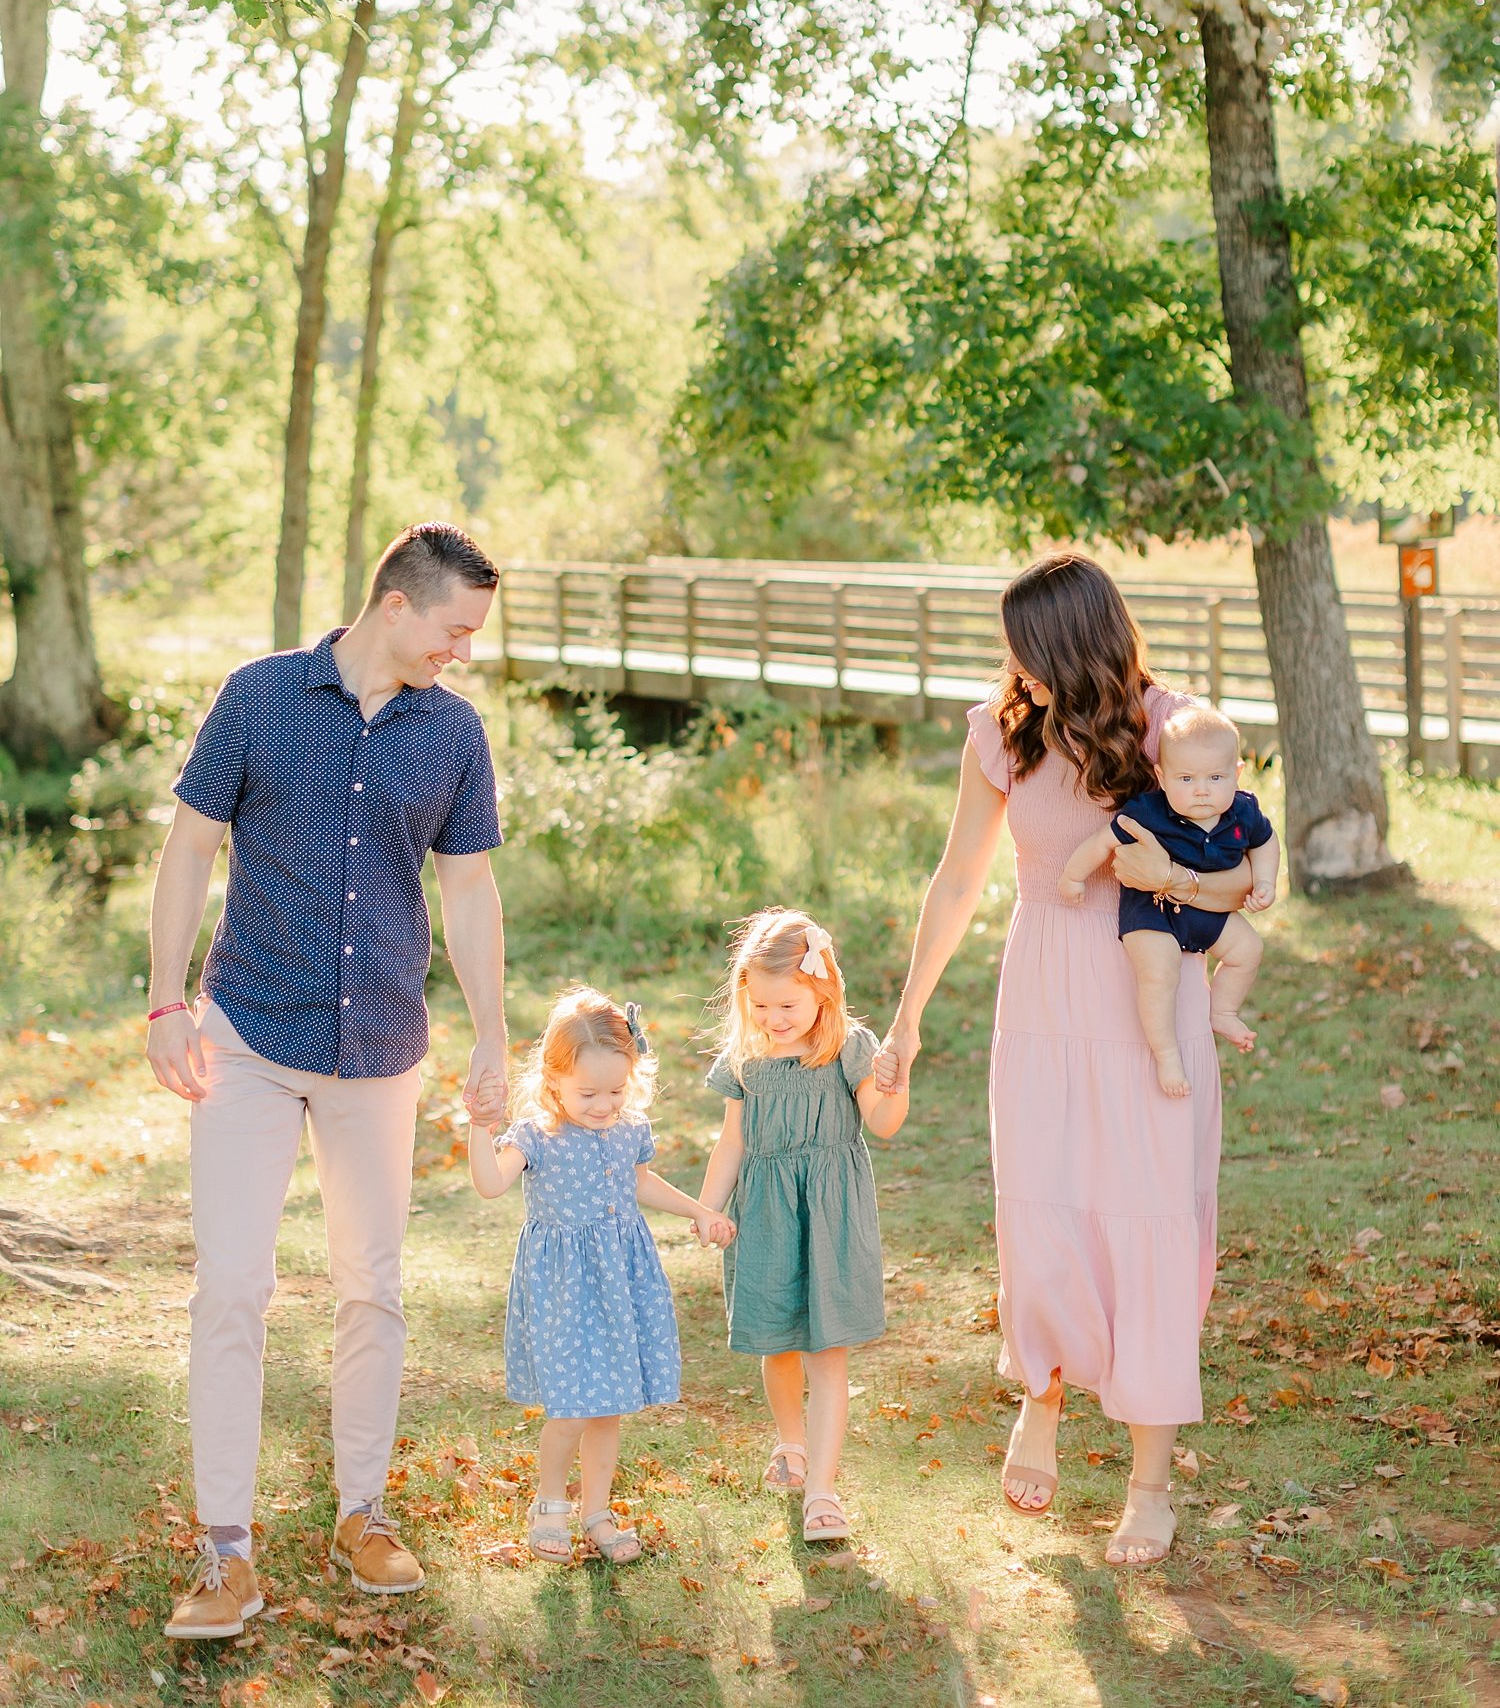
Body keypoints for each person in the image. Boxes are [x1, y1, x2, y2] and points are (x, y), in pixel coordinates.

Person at [146, 523, 509, 1641]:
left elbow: (471, 891)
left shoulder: (453, 733)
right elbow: (190, 849)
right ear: (396, 605)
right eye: (455, 630)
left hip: (382, 1047)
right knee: (233, 1289)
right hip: (248, 1033)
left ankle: (362, 1512)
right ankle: (226, 1553)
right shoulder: (257, 698)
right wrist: (167, 1000)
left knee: (374, 1288)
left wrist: (493, 1035)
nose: (462, 651)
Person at [875, 553, 1252, 1567]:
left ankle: (1150, 1484)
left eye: (1028, 652)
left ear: (1076, 645)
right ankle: (1040, 1396)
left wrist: (1165, 872)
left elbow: (1250, 883)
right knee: (1045, 1206)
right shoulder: (1002, 732)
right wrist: (908, 1018)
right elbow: (958, 880)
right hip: (1042, 990)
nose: (1015, 668)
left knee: (1153, 1221)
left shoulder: (1175, 727)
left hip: (1150, 999)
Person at [469, 987, 732, 1564]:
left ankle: (597, 1511)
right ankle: (548, 1506)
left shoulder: (627, 1128)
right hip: (564, 1283)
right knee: (571, 1407)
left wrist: (699, 1211)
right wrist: (479, 1130)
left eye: (616, 1091)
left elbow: (640, 1182)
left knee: (609, 1403)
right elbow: (490, 1184)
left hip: (620, 1276)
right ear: (553, 1078)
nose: (602, 1104)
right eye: (588, 1092)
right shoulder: (538, 1136)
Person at [697, 907, 909, 1546]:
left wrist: (895, 1083)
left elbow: (884, 1123)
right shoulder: (744, 1061)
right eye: (761, 1006)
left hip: (831, 1214)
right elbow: (731, 1141)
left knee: (827, 1350)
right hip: (764, 1212)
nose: (774, 1018)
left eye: (788, 1004)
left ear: (824, 991)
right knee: (778, 1341)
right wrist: (710, 1206)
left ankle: (823, 1488)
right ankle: (790, 1443)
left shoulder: (848, 1049)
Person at [1058, 701, 1280, 1096]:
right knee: (1160, 974)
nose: (1201, 791)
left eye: (1215, 777)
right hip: (1152, 911)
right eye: (1186, 779)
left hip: (1206, 908)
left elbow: (1265, 842)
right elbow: (1102, 842)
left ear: (1237, 774)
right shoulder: (1149, 812)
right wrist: (1074, 876)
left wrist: (1265, 880)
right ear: (1161, 776)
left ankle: (1224, 1011)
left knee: (1248, 949)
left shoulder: (1243, 812)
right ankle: (1167, 1055)